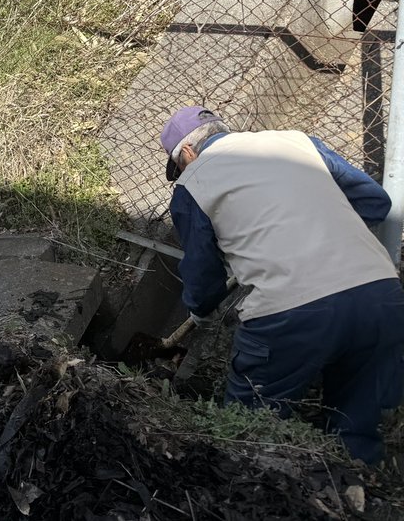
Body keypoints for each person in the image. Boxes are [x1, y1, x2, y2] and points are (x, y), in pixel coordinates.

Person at [161, 106, 404, 464]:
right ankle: (354, 492)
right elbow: (375, 202)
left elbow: (202, 272)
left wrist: (199, 311)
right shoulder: (297, 142)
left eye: (180, 165)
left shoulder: (192, 184)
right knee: (356, 424)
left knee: (248, 426)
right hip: (380, 294)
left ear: (187, 153)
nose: (183, 171)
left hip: (293, 312)